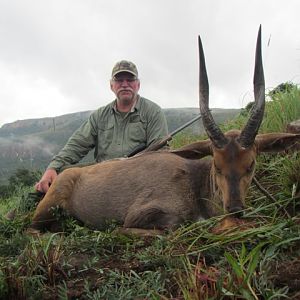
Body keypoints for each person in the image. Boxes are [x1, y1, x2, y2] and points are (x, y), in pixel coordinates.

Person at [35, 60, 168, 193]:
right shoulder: (99, 116)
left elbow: (161, 154)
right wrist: (52, 168)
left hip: (138, 174)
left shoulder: (153, 112)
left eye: (130, 80)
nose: (125, 85)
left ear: (138, 85)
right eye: (119, 80)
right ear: (111, 86)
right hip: (103, 175)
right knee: (63, 174)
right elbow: (77, 144)